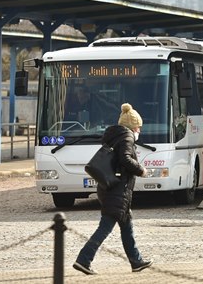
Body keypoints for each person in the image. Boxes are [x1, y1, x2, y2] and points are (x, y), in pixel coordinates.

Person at [73, 103, 153, 275]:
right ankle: (83, 260)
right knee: (105, 228)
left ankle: (136, 261)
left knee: (127, 226)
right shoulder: (127, 137)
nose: (139, 130)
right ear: (133, 126)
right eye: (138, 127)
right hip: (118, 190)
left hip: (111, 188)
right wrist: (141, 170)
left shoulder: (115, 136)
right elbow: (124, 159)